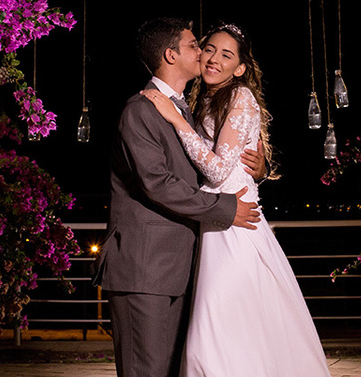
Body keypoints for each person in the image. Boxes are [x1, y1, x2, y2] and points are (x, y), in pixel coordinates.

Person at [141, 22, 331, 377]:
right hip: (215, 221)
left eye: (226, 55)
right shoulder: (208, 97)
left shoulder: (239, 97)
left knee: (215, 327)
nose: (212, 58)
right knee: (227, 326)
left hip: (234, 225)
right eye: (208, 49)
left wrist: (174, 120)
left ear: (240, 68)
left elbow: (216, 171)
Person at [95, 18, 263, 377]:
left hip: (178, 267)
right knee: (146, 371)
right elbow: (158, 183)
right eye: (194, 46)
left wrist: (256, 167)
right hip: (145, 270)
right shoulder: (140, 110)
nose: (202, 53)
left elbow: (214, 161)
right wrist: (226, 208)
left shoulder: (185, 109)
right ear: (171, 55)